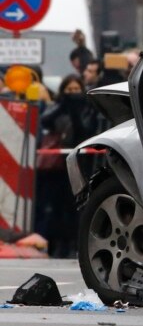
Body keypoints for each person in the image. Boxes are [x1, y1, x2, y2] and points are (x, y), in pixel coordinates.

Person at [35, 74, 103, 258]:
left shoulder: (88, 108)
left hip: (81, 164)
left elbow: (85, 131)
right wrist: (64, 105)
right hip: (57, 167)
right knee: (56, 207)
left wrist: (75, 110)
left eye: (76, 89)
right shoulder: (58, 106)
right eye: (69, 90)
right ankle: (57, 244)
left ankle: (75, 243)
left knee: (76, 206)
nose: (73, 93)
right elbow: (46, 121)